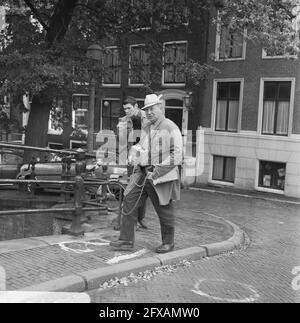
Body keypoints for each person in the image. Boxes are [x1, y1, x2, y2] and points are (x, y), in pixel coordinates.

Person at [110, 94, 183, 254]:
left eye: (152, 108)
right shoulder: (147, 127)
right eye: (147, 109)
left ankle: (168, 242)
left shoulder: (171, 127)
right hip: (142, 174)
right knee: (129, 200)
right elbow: (141, 147)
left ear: (160, 108)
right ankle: (126, 240)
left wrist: (157, 171)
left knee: (164, 209)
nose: (149, 112)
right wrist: (132, 156)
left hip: (160, 176)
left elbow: (177, 155)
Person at [115, 96, 149, 230]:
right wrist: (120, 131)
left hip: (146, 158)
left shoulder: (148, 117)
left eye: (129, 108)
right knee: (131, 191)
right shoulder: (124, 121)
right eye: (125, 109)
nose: (126, 111)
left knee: (144, 190)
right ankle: (131, 221)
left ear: (136, 106)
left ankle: (140, 219)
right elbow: (122, 142)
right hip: (132, 159)